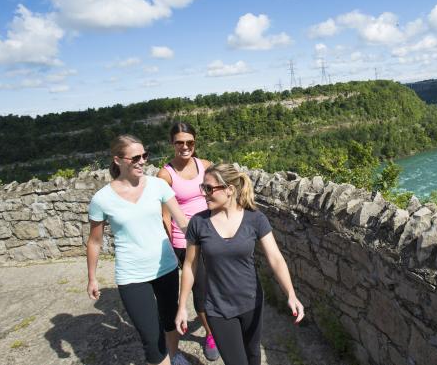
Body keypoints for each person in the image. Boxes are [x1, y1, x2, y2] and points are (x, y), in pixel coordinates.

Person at [175, 164, 305, 365]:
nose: (204, 194)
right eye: (203, 188)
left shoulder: (255, 219)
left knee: (253, 356)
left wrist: (291, 294)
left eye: (209, 189)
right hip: (218, 307)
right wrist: (182, 306)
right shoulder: (198, 223)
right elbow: (190, 265)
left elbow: (275, 258)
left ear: (230, 189)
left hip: (251, 302)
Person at [86, 135, 191, 365]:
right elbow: (94, 241)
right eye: (135, 157)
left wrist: (209, 244)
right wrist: (92, 278)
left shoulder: (158, 185)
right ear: (118, 160)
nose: (142, 161)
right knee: (151, 339)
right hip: (132, 275)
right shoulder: (101, 199)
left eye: (145, 155)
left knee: (169, 319)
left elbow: (182, 222)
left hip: (166, 266)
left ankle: (174, 355)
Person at [157, 122, 219, 362]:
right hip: (184, 242)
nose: (185, 147)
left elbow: (218, 196)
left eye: (190, 142)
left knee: (212, 287)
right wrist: (172, 249)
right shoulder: (165, 175)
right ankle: (211, 334)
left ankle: (215, 328)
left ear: (195, 142)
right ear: (172, 143)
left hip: (211, 235)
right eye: (180, 142)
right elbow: (164, 215)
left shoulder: (205, 166)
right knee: (199, 290)